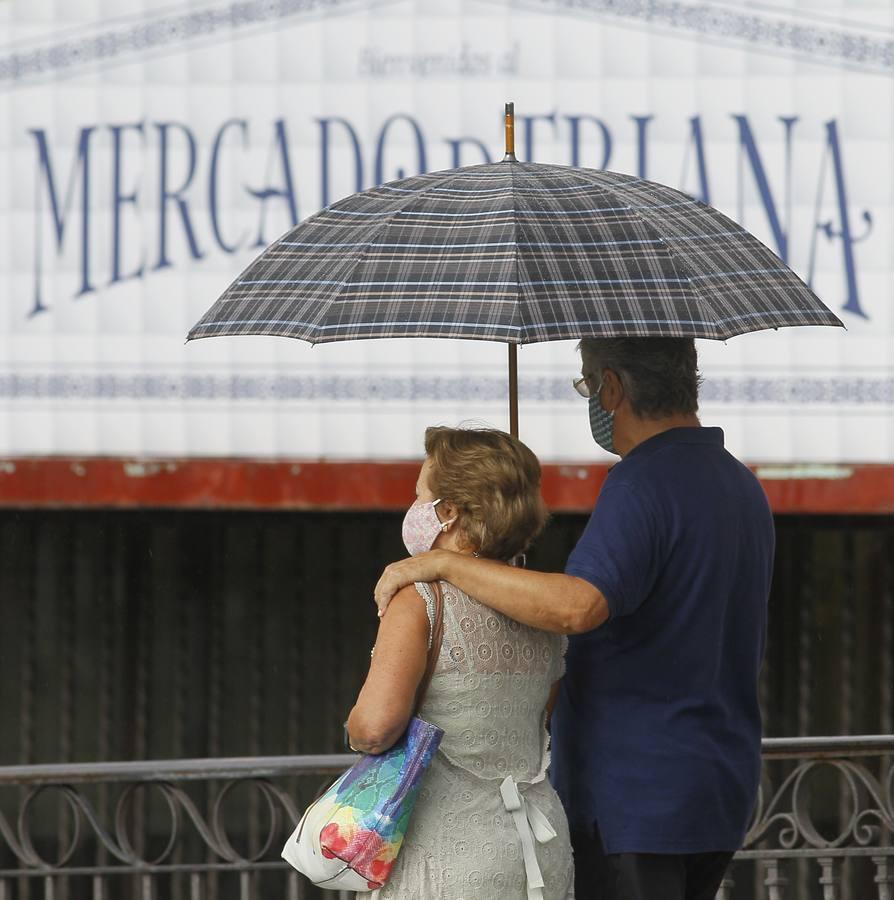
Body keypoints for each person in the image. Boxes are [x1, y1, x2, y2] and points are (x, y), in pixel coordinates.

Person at [374, 337, 775, 900]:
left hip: (635, 796)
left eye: (588, 384)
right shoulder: (739, 483)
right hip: (719, 783)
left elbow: (578, 605)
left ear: (612, 387)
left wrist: (442, 563)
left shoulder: (642, 483)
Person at [347, 426, 575, 900]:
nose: (412, 508)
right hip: (539, 845)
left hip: (445, 853)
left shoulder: (421, 600)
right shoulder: (541, 612)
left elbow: (374, 728)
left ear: (447, 512)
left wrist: (352, 726)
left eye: (419, 495)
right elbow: (541, 719)